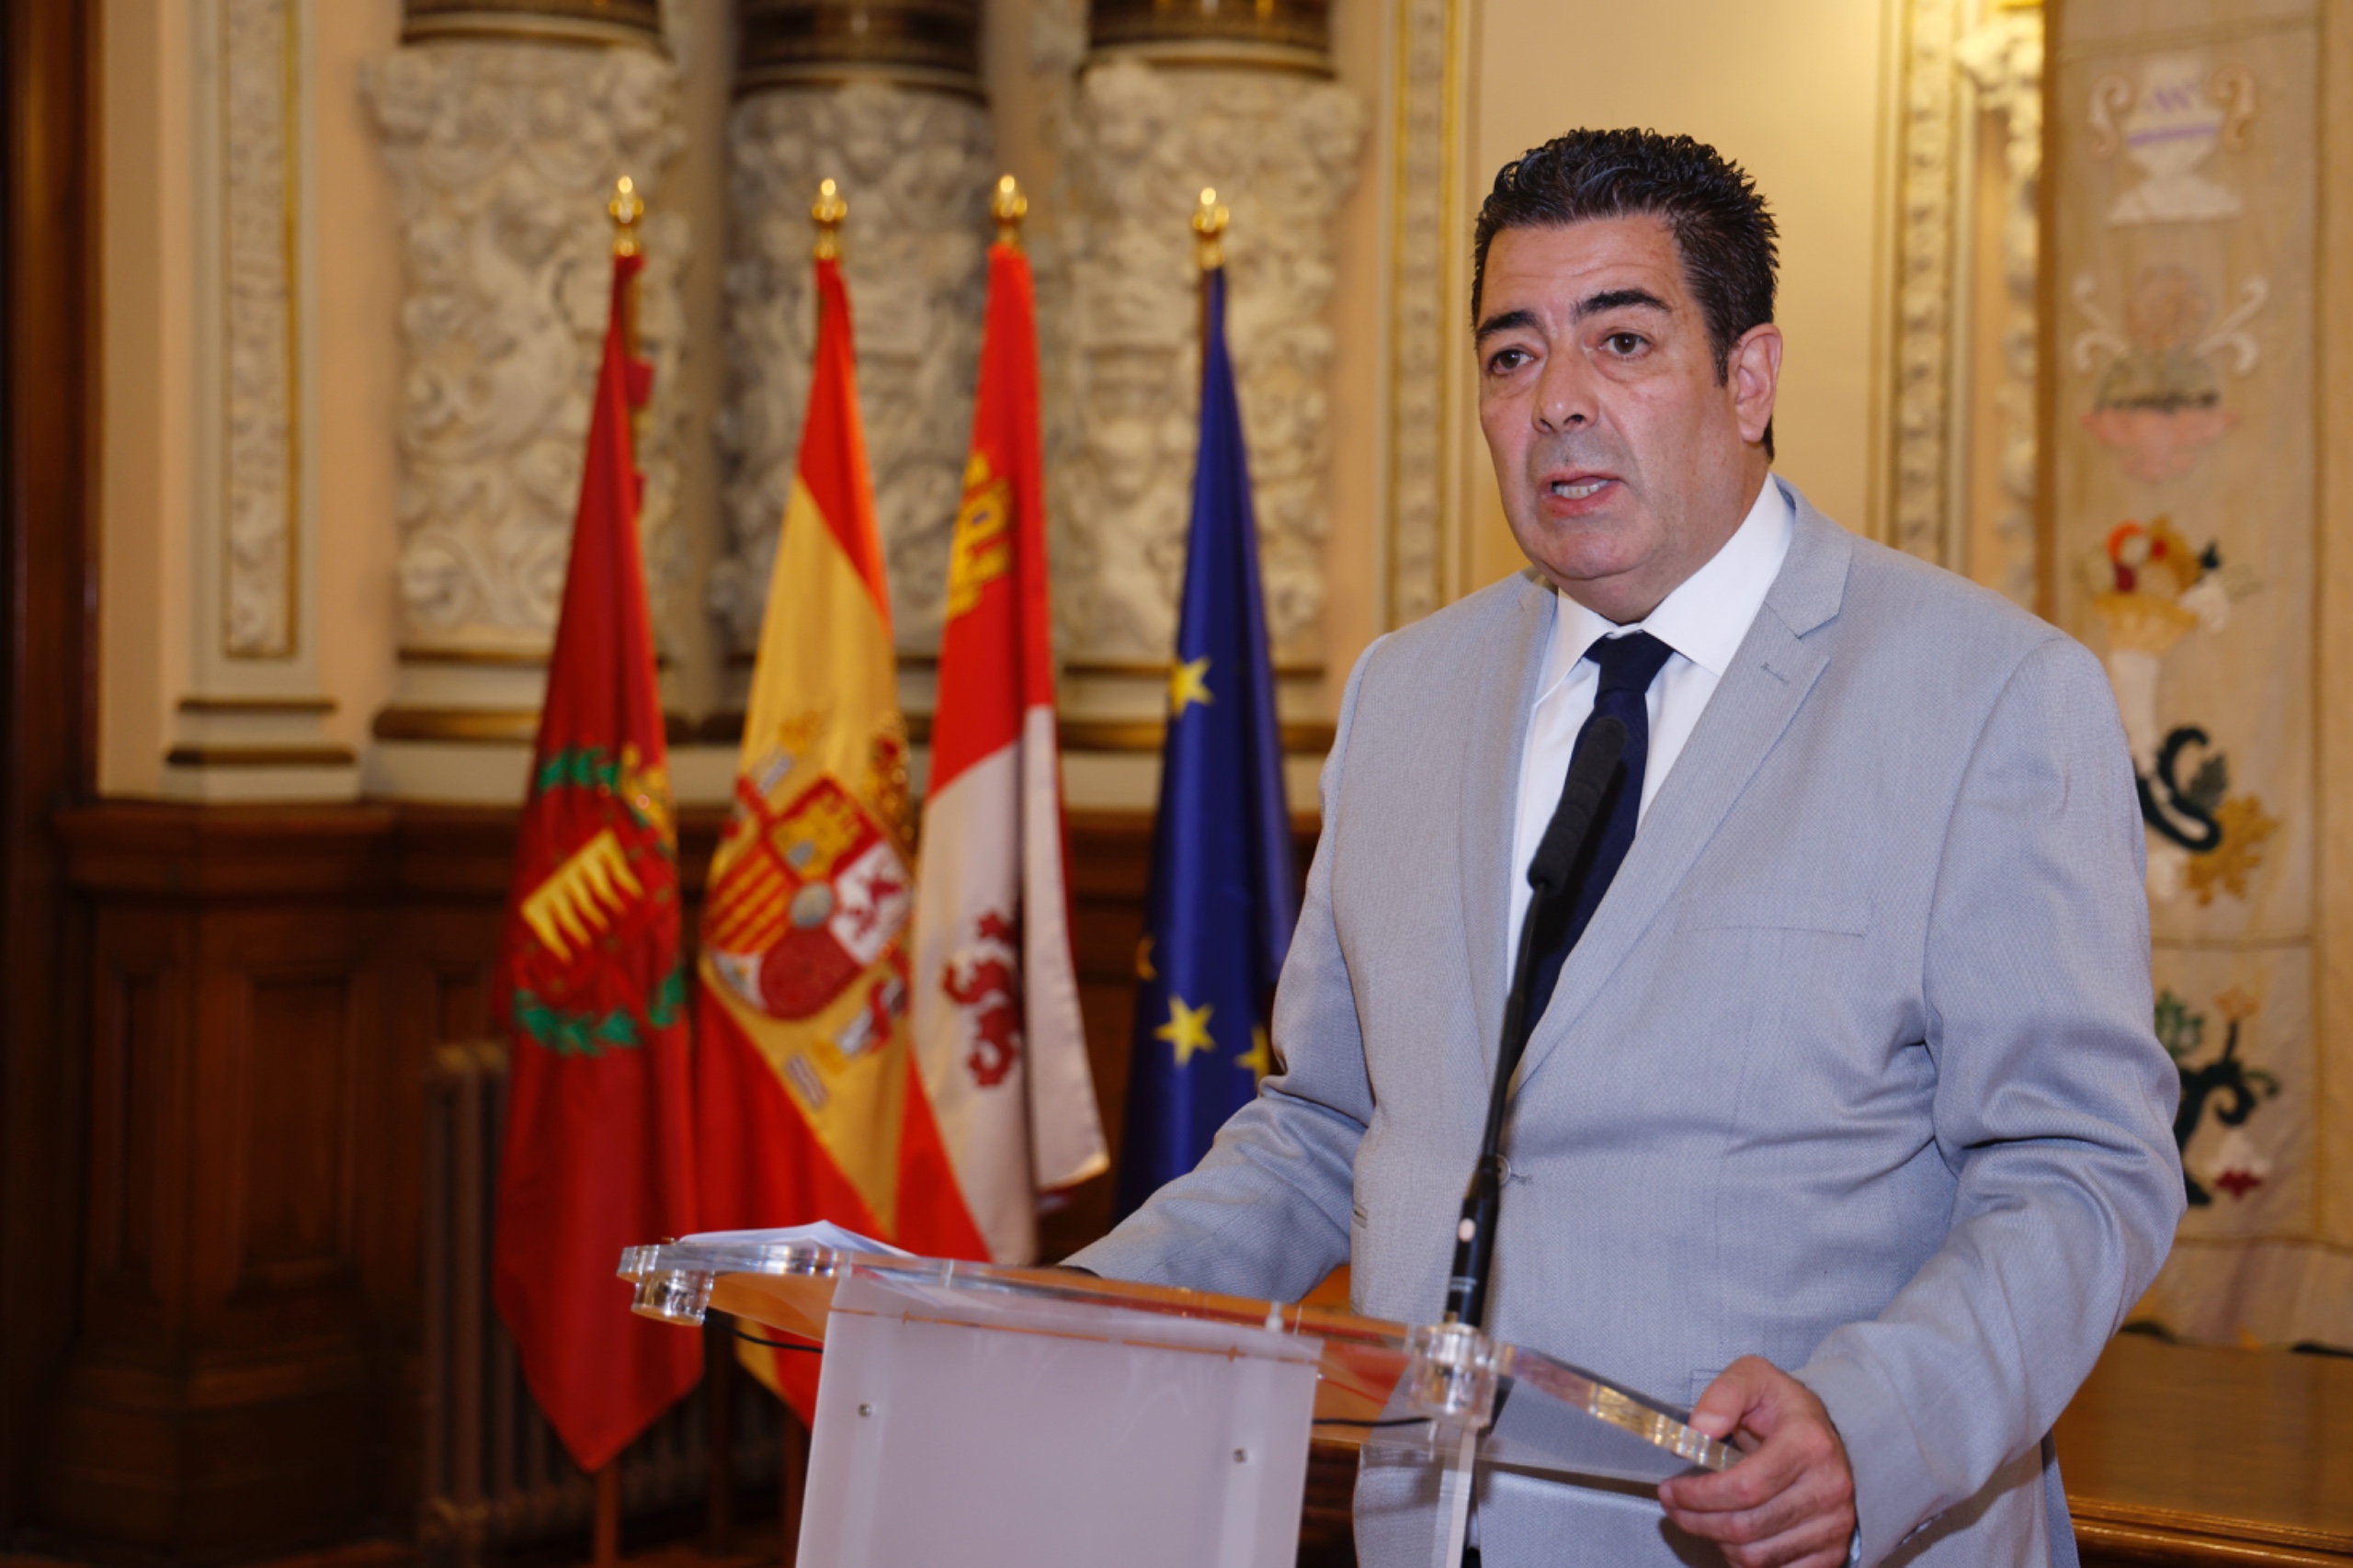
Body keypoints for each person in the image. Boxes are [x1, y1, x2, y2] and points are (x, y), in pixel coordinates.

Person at [1069, 129, 2183, 1567]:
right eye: (1512, 355)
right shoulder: (1403, 694)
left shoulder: (1987, 695)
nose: (1559, 403)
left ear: (1750, 377)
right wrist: (1071, 1312)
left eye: (1624, 341)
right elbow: (1327, 1130)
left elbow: (2081, 1166)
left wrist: (1873, 1423)